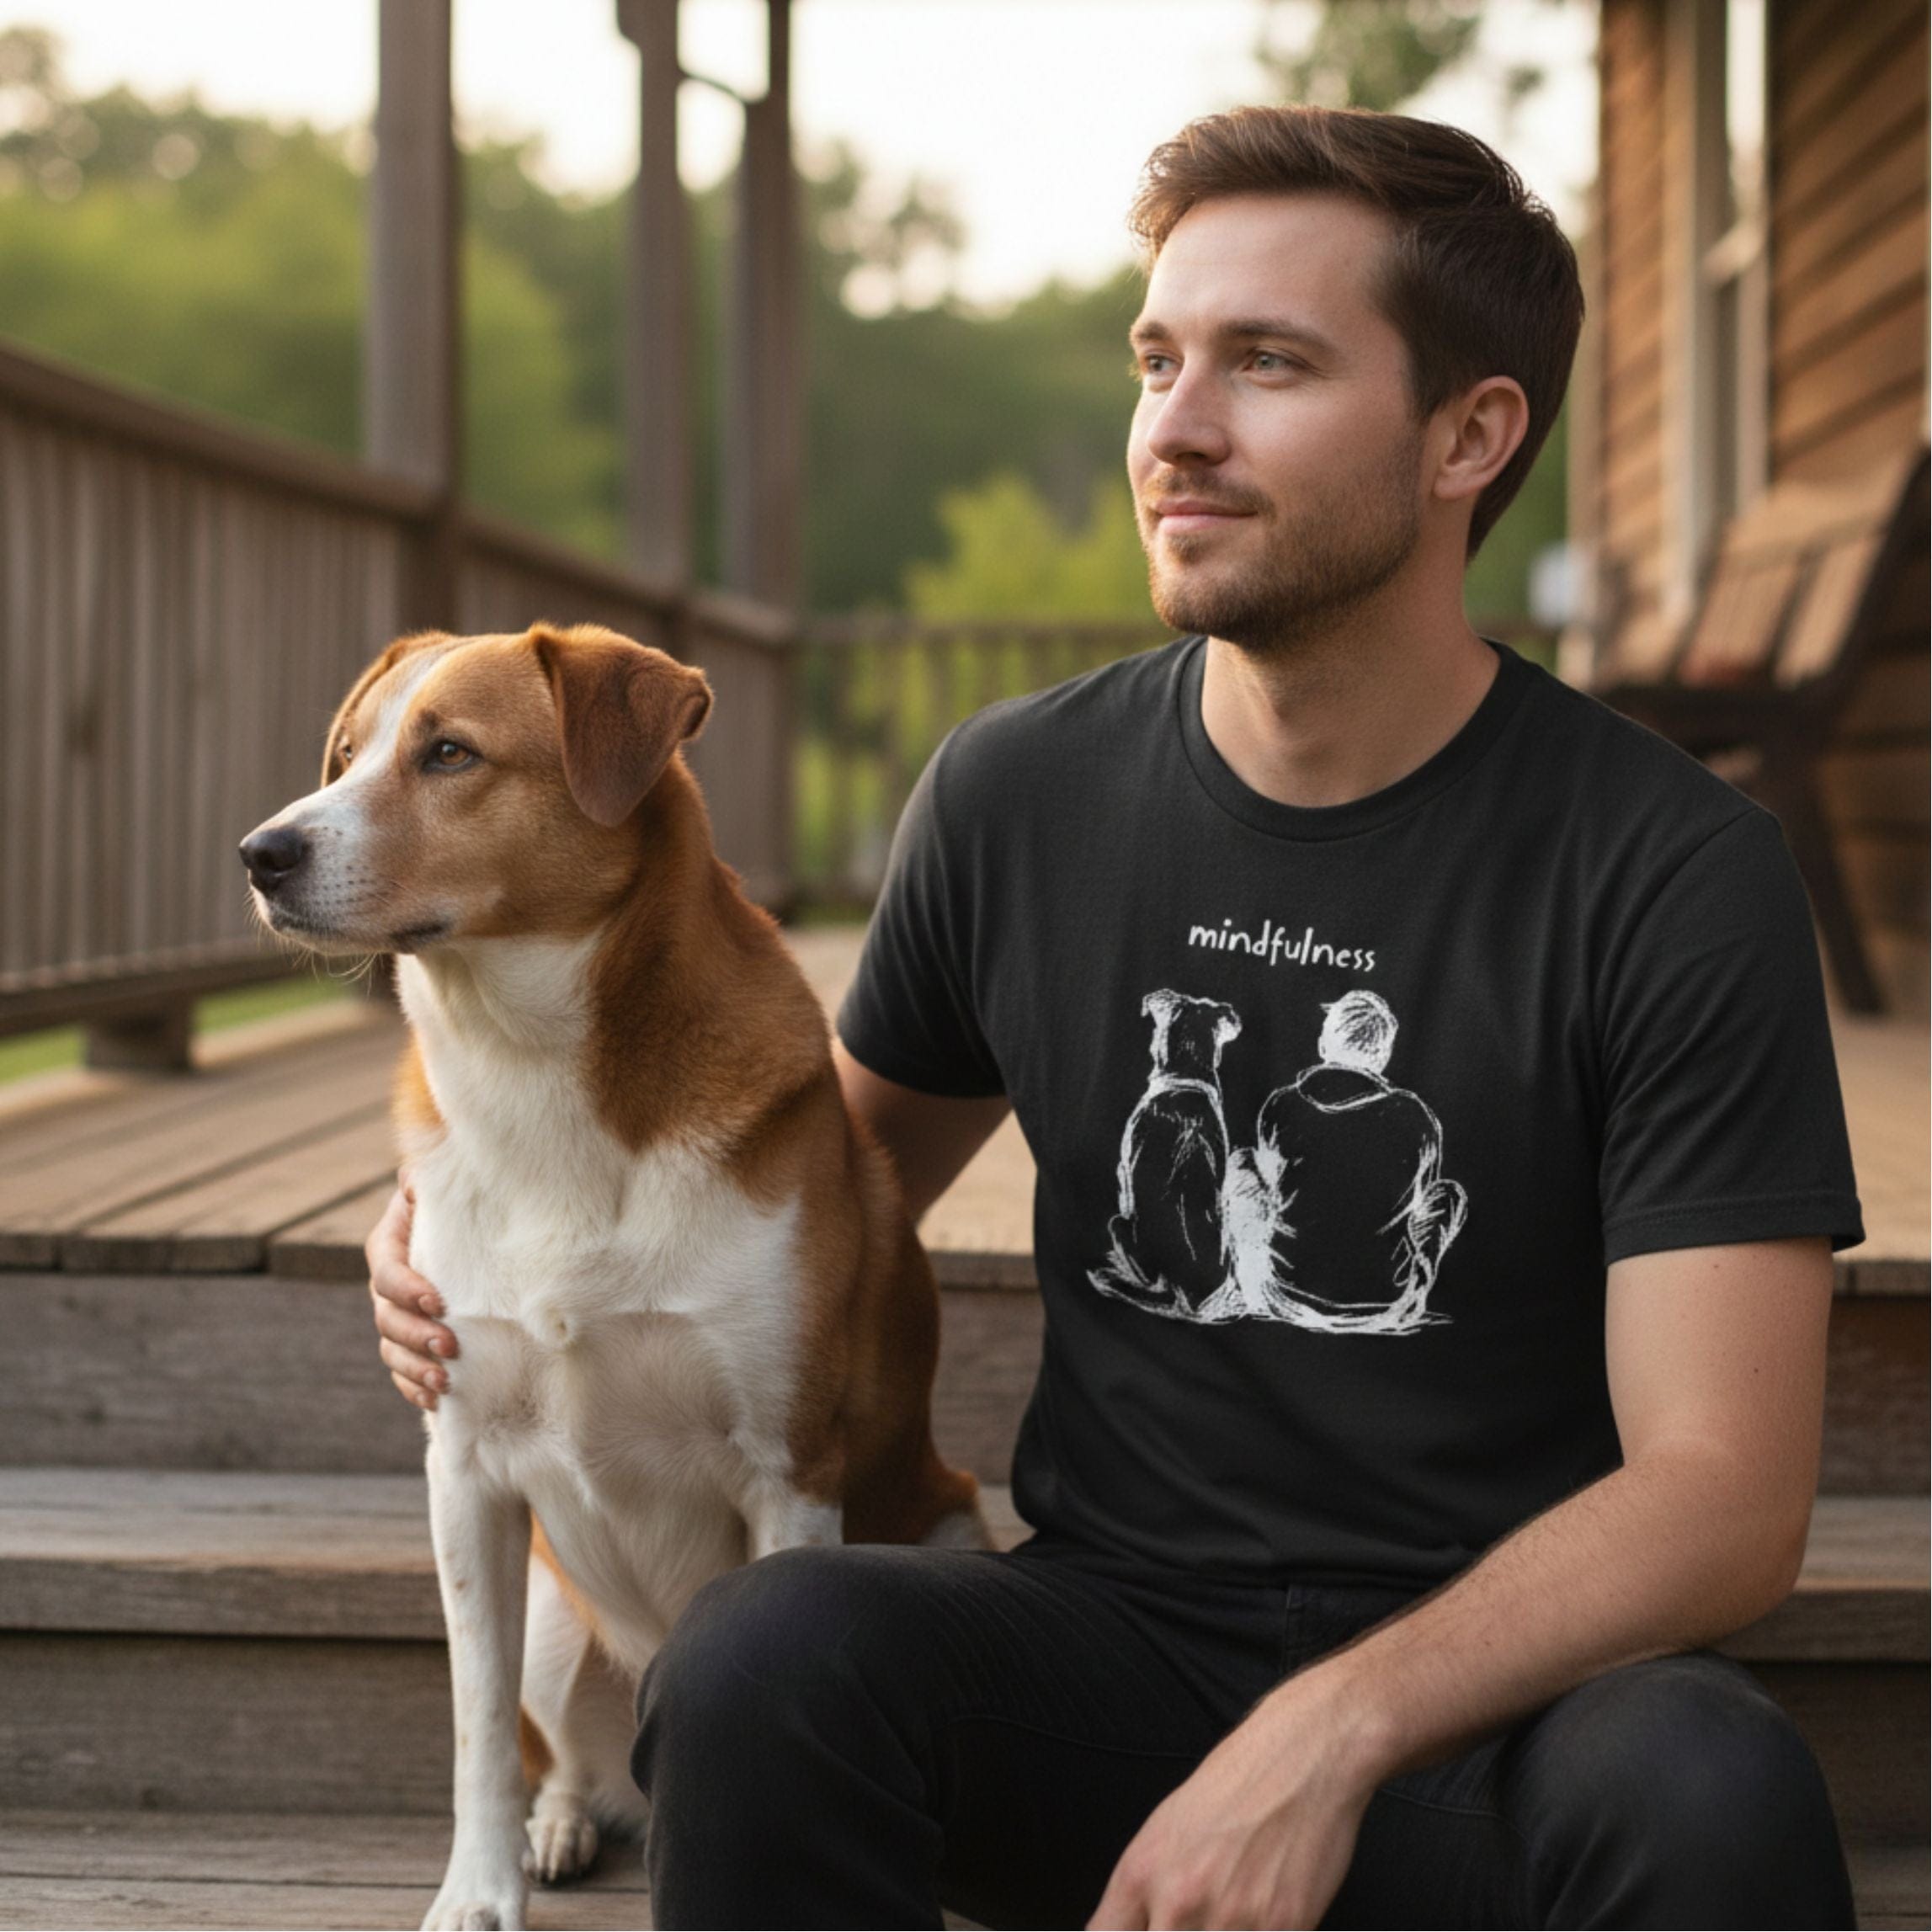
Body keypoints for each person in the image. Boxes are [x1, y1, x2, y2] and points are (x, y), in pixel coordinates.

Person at [369, 104, 1865, 1929]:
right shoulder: (1017, 795)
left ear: (1470, 434)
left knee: (1711, 1786)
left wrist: (1324, 1733)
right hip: (1106, 1664)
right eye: (1159, 357)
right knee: (768, 1654)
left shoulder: (1668, 868)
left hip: (1498, 1714)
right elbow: (812, 1189)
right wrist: (481, 1232)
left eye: (1268, 362)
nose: (1175, 422)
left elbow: (1725, 1495)